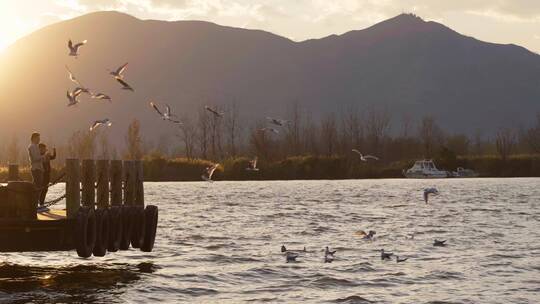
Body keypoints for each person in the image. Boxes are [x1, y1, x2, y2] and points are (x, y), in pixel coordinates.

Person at [28, 132, 45, 210]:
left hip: (38, 168)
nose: (39, 140)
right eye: (38, 138)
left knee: (37, 186)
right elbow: (35, 158)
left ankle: (34, 203)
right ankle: (34, 204)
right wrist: (43, 156)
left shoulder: (35, 146)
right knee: (37, 187)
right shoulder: (32, 147)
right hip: (36, 169)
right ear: (34, 138)